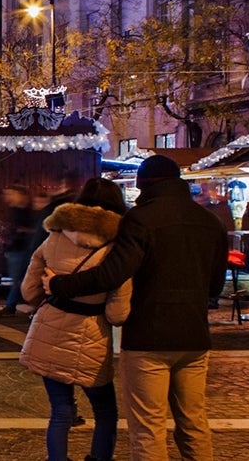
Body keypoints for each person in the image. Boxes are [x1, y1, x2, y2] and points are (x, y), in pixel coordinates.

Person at [44, 154, 227, 461]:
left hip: (148, 337)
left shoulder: (140, 219)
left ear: (144, 184)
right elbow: (215, 287)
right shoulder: (210, 222)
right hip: (195, 338)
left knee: (148, 427)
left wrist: (59, 285)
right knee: (194, 422)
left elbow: (112, 273)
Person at [21, 178, 132, 461]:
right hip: (90, 333)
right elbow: (118, 311)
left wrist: (45, 299)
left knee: (60, 411)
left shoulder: (56, 234)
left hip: (50, 324)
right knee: (105, 411)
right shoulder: (117, 246)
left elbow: (29, 289)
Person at [0, 185, 36, 316]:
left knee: (19, 279)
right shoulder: (18, 210)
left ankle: (11, 305)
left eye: (11, 194)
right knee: (19, 279)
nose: (8, 197)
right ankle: (13, 304)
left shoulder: (25, 211)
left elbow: (28, 230)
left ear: (20, 194)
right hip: (18, 248)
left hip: (22, 249)